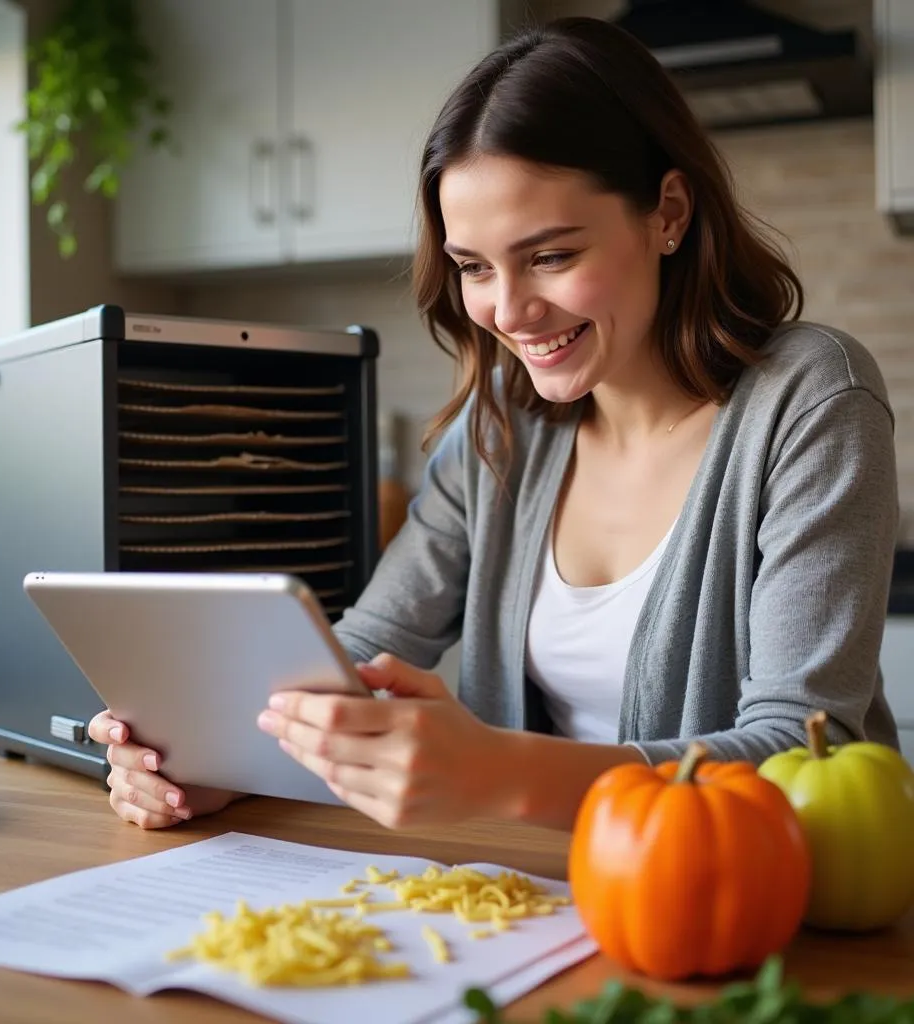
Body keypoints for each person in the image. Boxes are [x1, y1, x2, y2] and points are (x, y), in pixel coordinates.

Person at [88, 16, 900, 831]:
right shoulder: (502, 422)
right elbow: (359, 652)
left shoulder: (811, 398)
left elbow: (797, 752)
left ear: (668, 213)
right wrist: (217, 756)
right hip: (547, 892)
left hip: (773, 910)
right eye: (474, 267)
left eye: (550, 256)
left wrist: (497, 771)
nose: (508, 312)